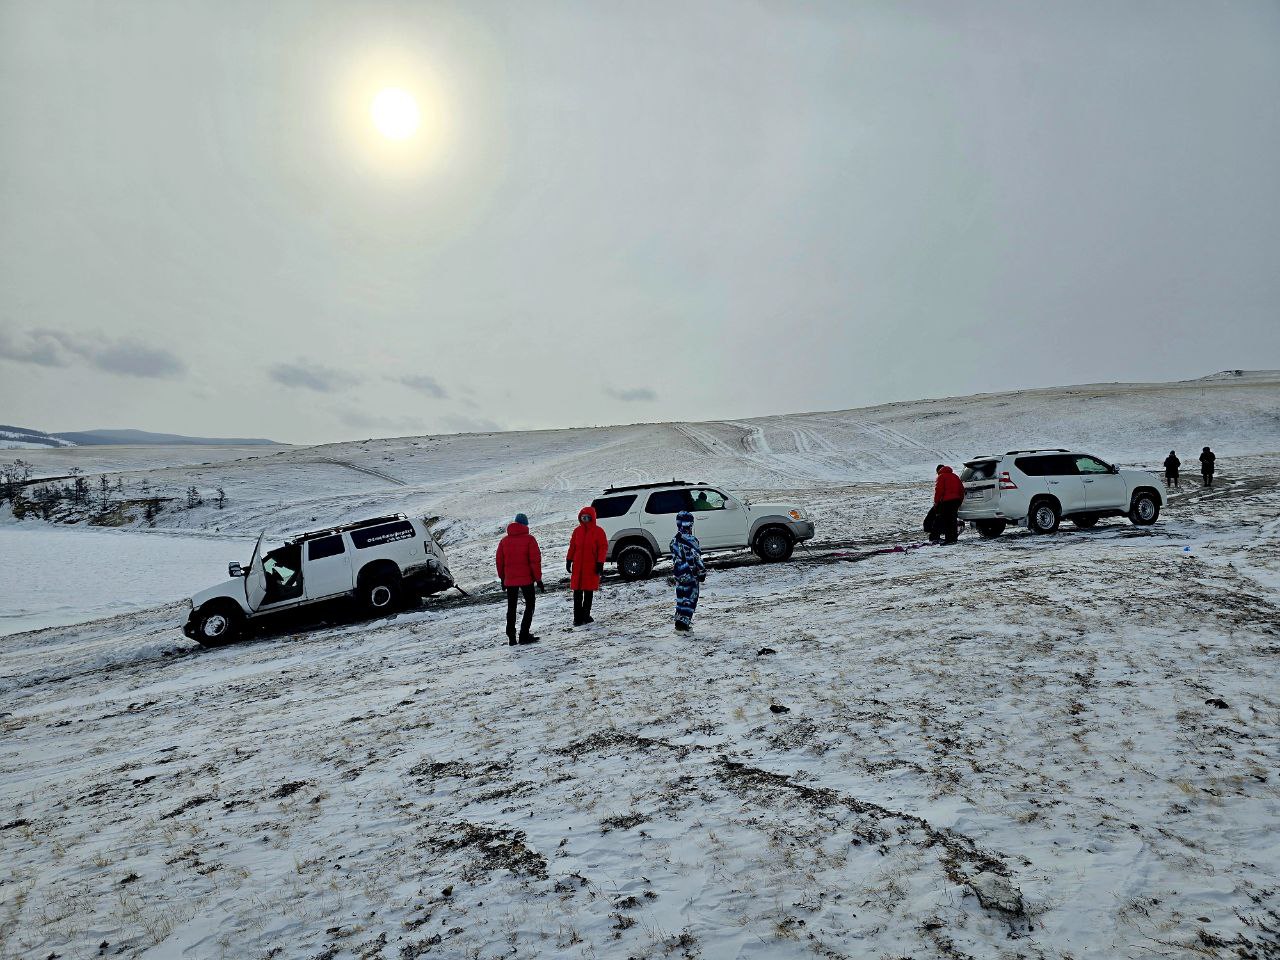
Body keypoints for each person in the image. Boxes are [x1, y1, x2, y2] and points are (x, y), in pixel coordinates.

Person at [496, 512, 544, 645]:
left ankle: (511, 637)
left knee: (511, 607)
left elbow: (499, 561)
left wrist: (502, 578)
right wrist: (538, 580)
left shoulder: (504, 541)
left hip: (510, 580)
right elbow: (535, 561)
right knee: (530, 604)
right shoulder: (530, 539)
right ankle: (524, 635)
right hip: (526, 580)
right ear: (525, 525)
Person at [566, 505, 609, 626]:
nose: (585, 520)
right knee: (577, 593)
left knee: (588, 592)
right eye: (583, 517)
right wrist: (569, 559)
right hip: (578, 567)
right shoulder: (577, 531)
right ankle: (577, 618)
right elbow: (572, 546)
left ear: (592, 518)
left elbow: (603, 547)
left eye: (587, 517)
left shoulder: (598, 531)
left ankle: (586, 615)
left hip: (591, 566)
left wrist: (600, 562)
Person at [670, 510, 706, 632]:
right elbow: (696, 558)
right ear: (690, 524)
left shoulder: (674, 540)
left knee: (681, 596)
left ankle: (678, 620)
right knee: (690, 598)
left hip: (679, 573)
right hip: (691, 574)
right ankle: (684, 623)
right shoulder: (692, 540)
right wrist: (702, 572)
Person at [931, 464, 965, 544]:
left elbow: (939, 491)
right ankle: (954, 538)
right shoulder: (955, 476)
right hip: (956, 501)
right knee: (953, 520)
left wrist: (936, 502)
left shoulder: (941, 477)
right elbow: (961, 489)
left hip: (946, 502)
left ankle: (948, 539)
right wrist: (960, 501)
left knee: (947, 521)